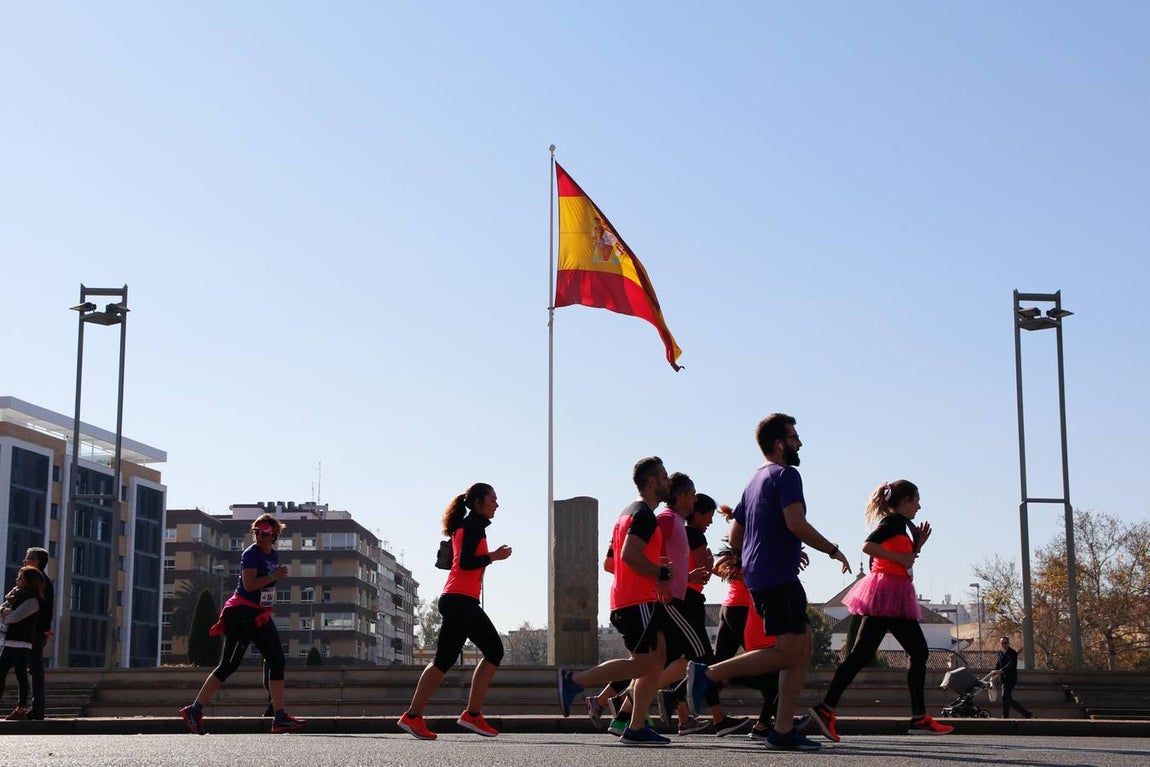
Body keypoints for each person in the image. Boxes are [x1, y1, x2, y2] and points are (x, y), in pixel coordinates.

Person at [685, 414, 851, 751]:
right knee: (789, 650)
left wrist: (750, 556)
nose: (799, 443)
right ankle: (708, 676)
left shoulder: (755, 479)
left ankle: (782, 729)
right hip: (776, 576)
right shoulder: (787, 474)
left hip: (765, 575)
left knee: (801, 648)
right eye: (794, 437)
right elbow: (796, 522)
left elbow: (736, 531)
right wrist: (832, 549)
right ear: (779, 442)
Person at [808, 480, 953, 740]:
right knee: (912, 652)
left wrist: (916, 547)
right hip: (888, 595)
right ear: (905, 501)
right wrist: (901, 557)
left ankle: (826, 709)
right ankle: (918, 717)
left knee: (863, 655)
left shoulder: (902, 525)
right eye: (916, 500)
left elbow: (901, 559)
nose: (919, 506)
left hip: (892, 593)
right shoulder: (893, 522)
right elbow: (868, 547)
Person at [558, 456, 674, 746]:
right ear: (652, 482)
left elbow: (611, 564)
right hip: (637, 601)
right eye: (664, 476)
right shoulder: (645, 516)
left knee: (656, 658)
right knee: (645, 665)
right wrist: (660, 571)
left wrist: (648, 563)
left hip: (627, 599)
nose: (668, 481)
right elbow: (628, 557)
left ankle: (636, 727)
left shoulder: (626, 514)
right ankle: (575, 681)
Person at [398, 483, 513, 740]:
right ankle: (471, 715)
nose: (497, 504)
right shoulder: (471, 526)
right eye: (493, 499)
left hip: (458, 599)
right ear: (478, 502)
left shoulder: (469, 526)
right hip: (461, 600)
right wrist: (493, 556)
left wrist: (490, 556)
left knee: (443, 660)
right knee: (494, 651)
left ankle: (413, 716)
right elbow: (465, 562)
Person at [179, 513, 304, 735]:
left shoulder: (274, 555)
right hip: (241, 612)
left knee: (277, 660)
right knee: (228, 665)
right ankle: (194, 709)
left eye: (264, 532)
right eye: (256, 531)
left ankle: (280, 716)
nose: (259, 536)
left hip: (260, 615)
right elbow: (249, 584)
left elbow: (266, 587)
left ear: (273, 534)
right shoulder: (251, 554)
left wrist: (273, 582)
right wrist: (274, 575)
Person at [655, 487, 750, 737]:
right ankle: (714, 717)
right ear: (697, 514)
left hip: (679, 601)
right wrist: (706, 568)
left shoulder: (680, 530)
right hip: (687, 603)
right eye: (708, 515)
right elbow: (705, 570)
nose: (709, 521)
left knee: (682, 661)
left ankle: (678, 714)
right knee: (703, 660)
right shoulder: (694, 535)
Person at [1, 566, 46, 720]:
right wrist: (6, 613)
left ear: (29, 581)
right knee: (1, 674)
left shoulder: (33, 600)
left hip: (22, 642)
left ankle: (21, 709)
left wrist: (6, 614)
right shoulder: (16, 596)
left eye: (20, 577)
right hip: (9, 641)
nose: (16, 580)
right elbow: (3, 610)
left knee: (21, 675)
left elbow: (12, 618)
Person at [23, 547, 53, 721]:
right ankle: (33, 707)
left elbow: (42, 609)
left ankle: (36, 708)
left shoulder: (40, 582)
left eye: (29, 558)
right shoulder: (37, 580)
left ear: (38, 562)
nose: (25, 561)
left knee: (34, 669)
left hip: (35, 632)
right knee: (32, 669)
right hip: (35, 631)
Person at [990, 636, 1032, 718]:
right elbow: (998, 664)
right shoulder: (1000, 653)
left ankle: (1015, 714)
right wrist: (995, 671)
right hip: (1004, 679)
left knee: (1005, 697)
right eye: (1002, 643)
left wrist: (1000, 671)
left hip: (1011, 678)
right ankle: (1024, 713)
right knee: (1006, 698)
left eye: (1005, 643)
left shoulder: (1012, 653)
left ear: (1008, 643)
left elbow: (1010, 665)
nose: (1004, 644)